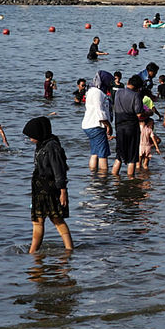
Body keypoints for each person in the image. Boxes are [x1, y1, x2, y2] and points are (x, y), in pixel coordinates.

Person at [24, 117, 73, 253]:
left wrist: (63, 192)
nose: (30, 139)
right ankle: (34, 252)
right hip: (39, 189)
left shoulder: (52, 146)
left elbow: (59, 170)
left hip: (50, 189)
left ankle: (68, 250)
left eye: (31, 136)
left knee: (56, 219)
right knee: (39, 221)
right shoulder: (41, 144)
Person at [111, 75, 146, 177]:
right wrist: (148, 113)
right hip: (131, 127)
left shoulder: (118, 92)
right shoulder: (136, 96)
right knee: (132, 157)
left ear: (128, 83)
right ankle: (131, 182)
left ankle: (115, 180)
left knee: (119, 156)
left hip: (119, 127)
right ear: (138, 88)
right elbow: (139, 114)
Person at [81, 71, 113, 170]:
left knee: (95, 152)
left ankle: (93, 176)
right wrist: (108, 125)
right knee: (103, 154)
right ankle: (104, 177)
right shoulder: (97, 93)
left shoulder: (91, 90)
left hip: (89, 125)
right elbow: (100, 111)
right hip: (96, 126)